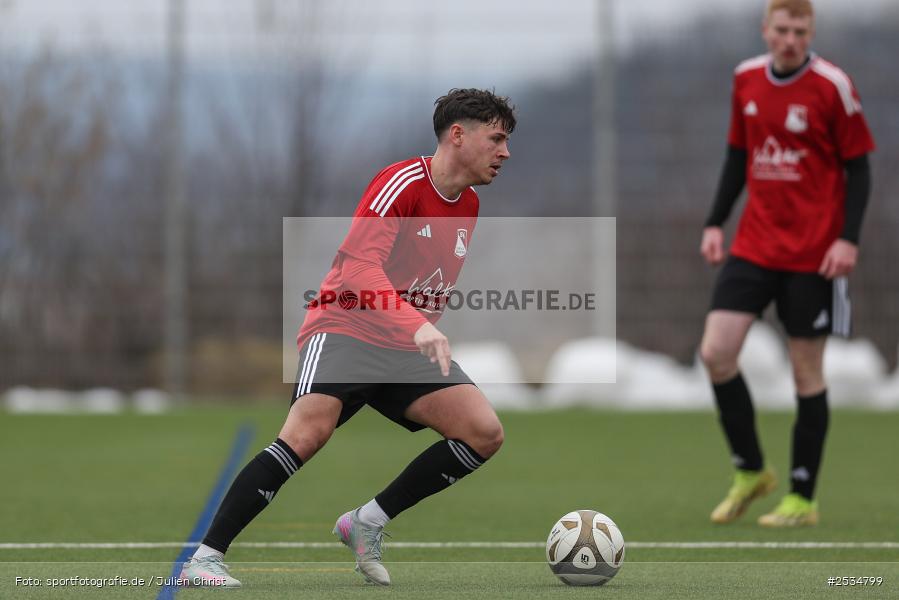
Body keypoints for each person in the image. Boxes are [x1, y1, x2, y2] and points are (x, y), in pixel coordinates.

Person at [179, 88, 515, 587]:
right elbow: (359, 268)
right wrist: (417, 325)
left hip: (400, 347)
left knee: (483, 433)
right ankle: (204, 559)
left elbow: (426, 284)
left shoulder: (468, 204)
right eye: (497, 139)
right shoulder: (401, 183)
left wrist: (418, 329)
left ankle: (366, 523)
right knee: (306, 434)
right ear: (458, 135)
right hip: (345, 328)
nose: (505, 152)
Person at [699, 0, 874, 528]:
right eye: (782, 29)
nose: (790, 39)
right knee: (716, 352)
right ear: (766, 30)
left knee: (806, 373)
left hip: (813, 255)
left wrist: (847, 240)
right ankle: (751, 470)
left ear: (810, 32)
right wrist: (714, 222)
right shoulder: (746, 79)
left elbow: (859, 170)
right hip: (754, 246)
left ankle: (802, 498)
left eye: (800, 30)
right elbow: (737, 156)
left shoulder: (832, 87)